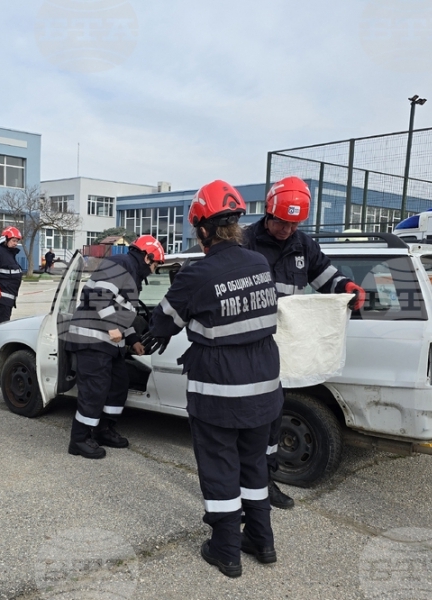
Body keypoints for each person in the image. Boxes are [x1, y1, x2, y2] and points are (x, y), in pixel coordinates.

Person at [145, 180, 282, 578]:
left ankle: (225, 550)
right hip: (264, 387)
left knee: (221, 467)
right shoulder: (258, 262)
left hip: (219, 391)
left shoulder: (196, 273)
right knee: (254, 465)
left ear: (203, 229)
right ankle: (262, 539)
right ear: (235, 224)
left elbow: (163, 322)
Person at [243, 175, 366, 510]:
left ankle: (264, 484)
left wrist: (347, 289)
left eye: (294, 224)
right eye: (282, 222)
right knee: (247, 423)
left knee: (270, 421)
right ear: (269, 212)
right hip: (246, 348)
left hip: (279, 352)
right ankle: (243, 488)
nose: (287, 230)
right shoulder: (245, 242)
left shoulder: (303, 245)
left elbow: (327, 276)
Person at [66, 235, 165, 459]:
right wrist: (112, 326)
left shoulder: (132, 274)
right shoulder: (122, 264)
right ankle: (79, 440)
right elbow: (95, 294)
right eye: (156, 264)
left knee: (119, 384)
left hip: (109, 343)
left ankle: (104, 430)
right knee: (94, 391)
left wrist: (133, 340)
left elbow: (122, 315)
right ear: (147, 257)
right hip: (92, 339)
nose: (155, 269)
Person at [0, 227, 24, 325]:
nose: (16, 243)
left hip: (8, 299)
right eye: (14, 240)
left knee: (4, 326)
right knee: (1, 326)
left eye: (17, 241)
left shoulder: (9, 254)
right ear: (6, 239)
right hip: (1, 298)